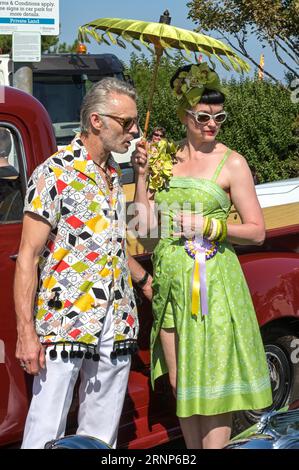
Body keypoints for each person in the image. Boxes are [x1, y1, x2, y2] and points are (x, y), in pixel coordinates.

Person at [132, 63, 272, 449]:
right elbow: (143, 230)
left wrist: (208, 226)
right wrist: (142, 174)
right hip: (171, 287)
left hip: (212, 287)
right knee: (183, 386)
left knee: (212, 388)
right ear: (184, 116)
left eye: (219, 117)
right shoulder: (163, 160)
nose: (213, 124)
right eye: (204, 117)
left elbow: (256, 231)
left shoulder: (233, 162)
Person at [14, 78, 153, 449]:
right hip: (67, 317)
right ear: (96, 120)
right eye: (127, 123)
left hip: (117, 317)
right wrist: (25, 332)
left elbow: (117, 242)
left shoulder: (111, 175)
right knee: (47, 425)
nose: (134, 131)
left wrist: (141, 280)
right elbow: (27, 255)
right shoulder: (53, 172)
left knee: (103, 428)